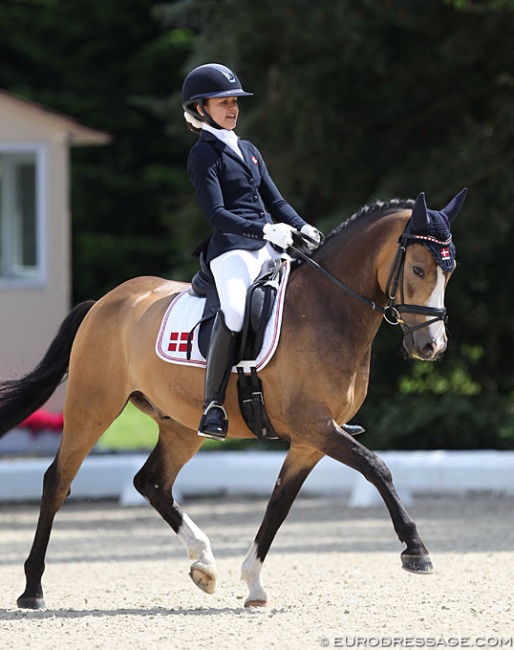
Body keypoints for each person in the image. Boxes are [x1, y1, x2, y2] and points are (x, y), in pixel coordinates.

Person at [182, 63, 362, 441]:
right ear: (201, 108)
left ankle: (322, 402)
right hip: (232, 249)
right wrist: (264, 229)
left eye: (234, 102)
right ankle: (213, 405)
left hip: (270, 243)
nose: (232, 109)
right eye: (223, 103)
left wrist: (302, 225)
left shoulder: (247, 149)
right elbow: (217, 215)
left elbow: (275, 200)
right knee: (233, 311)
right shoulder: (203, 155)